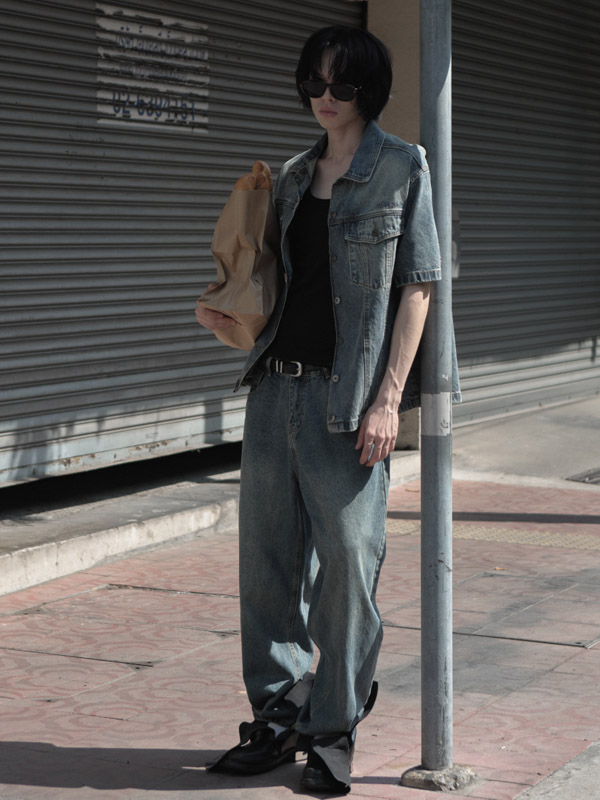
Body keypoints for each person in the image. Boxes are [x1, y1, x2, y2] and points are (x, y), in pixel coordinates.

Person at [195, 24, 458, 795]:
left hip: (348, 403)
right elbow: (277, 285)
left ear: (368, 90)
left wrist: (389, 400)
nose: (325, 96)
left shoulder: (402, 166)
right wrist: (229, 313)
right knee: (266, 567)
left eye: (341, 84)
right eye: (314, 81)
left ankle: (335, 723)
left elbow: (419, 285)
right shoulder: (290, 176)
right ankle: (278, 714)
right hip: (274, 389)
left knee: (348, 561)